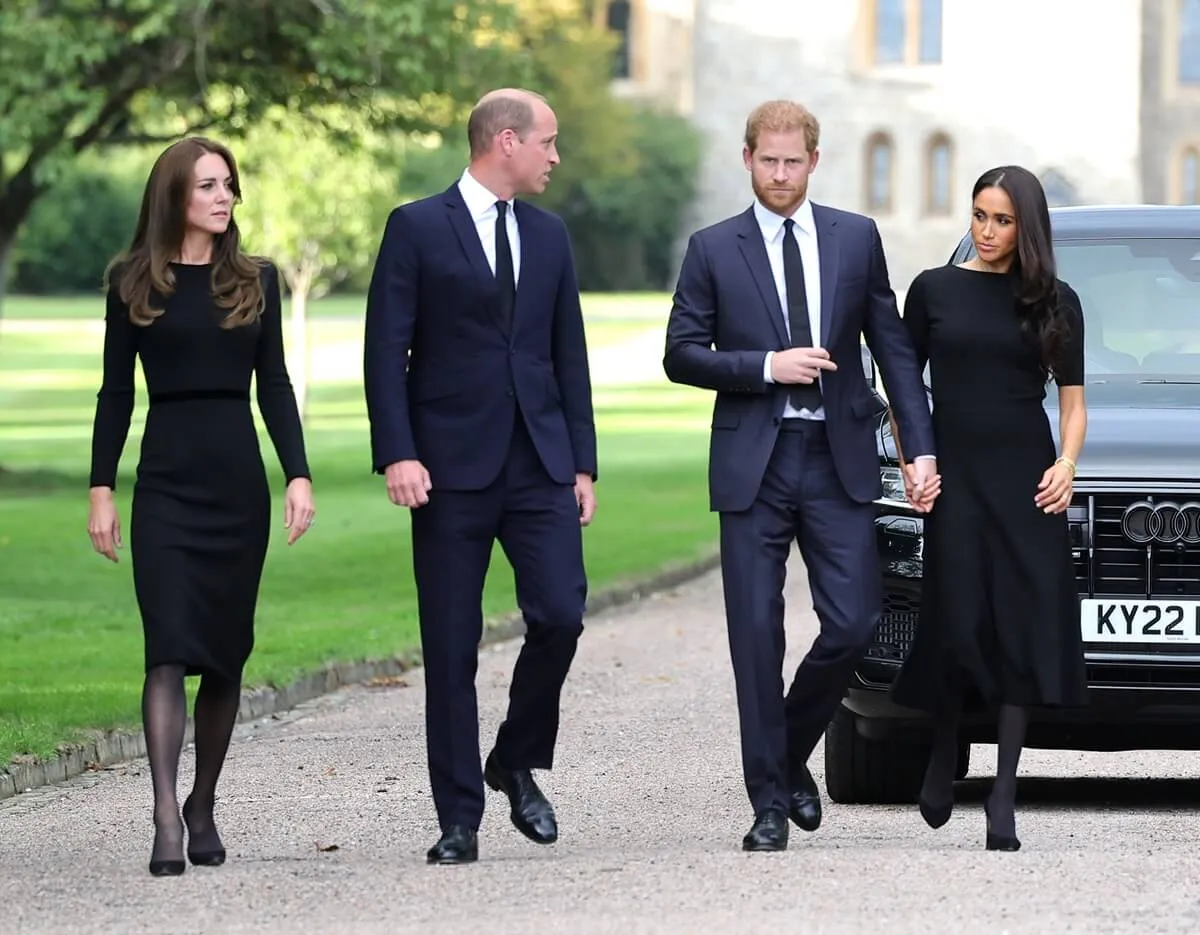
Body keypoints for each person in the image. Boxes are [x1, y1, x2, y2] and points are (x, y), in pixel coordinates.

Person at [663, 100, 938, 852]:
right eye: (767, 161)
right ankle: (768, 805)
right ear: (746, 159)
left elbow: (893, 350)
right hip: (753, 459)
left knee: (853, 620)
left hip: (837, 459)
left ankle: (785, 754)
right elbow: (681, 353)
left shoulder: (856, 239)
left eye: (793, 162)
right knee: (755, 636)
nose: (780, 175)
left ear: (814, 162)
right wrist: (763, 367)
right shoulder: (713, 248)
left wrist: (921, 449)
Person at [363, 88, 597, 866]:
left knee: (561, 613)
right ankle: (458, 816)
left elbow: (569, 356)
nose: (555, 157)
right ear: (506, 141)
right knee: (452, 646)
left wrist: (582, 461)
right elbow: (384, 351)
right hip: (447, 470)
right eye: (548, 143)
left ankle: (513, 756)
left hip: (539, 464)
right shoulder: (416, 228)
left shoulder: (551, 236)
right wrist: (398, 451)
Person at [87, 137, 315, 877]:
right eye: (209, 185)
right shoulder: (131, 282)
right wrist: (100, 488)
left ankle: (203, 801)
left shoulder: (256, 279)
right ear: (175, 195)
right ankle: (162, 812)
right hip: (165, 483)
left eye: (229, 186)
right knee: (167, 647)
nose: (224, 197)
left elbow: (274, 383)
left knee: (224, 651)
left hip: (235, 483)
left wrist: (299, 475)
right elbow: (116, 391)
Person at [889, 165, 1088, 852]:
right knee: (958, 619)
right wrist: (916, 459)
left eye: (1002, 219)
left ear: (1026, 226)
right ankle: (945, 747)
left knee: (1020, 628)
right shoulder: (934, 290)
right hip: (956, 478)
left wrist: (1066, 465)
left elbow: (1072, 401)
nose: (988, 230)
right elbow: (903, 388)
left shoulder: (1055, 301)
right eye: (979, 215)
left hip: (1027, 479)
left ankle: (1004, 791)